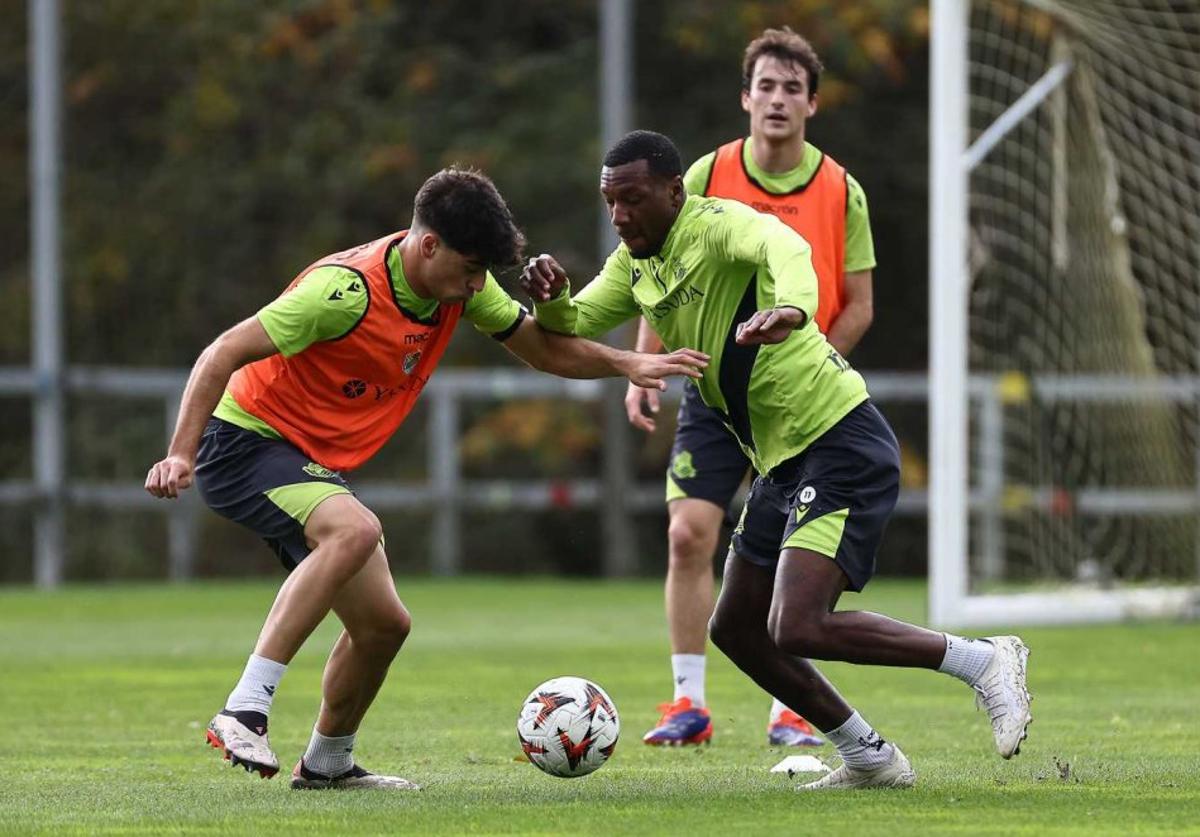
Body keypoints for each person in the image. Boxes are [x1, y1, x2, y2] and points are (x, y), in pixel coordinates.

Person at [145, 167, 708, 791]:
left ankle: (328, 763)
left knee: (385, 626)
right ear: (429, 245)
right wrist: (180, 453)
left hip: (306, 463)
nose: (476, 286)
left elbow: (543, 348)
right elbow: (221, 352)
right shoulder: (343, 292)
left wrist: (625, 360)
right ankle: (244, 708)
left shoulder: (461, 288)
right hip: (244, 445)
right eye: (470, 270)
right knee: (355, 529)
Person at [521, 131, 1031, 790]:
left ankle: (981, 659)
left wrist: (790, 306)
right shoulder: (635, 262)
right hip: (783, 461)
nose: (620, 215)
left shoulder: (715, 225)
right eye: (609, 201)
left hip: (839, 439)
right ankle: (870, 756)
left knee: (797, 622)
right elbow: (578, 323)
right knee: (736, 626)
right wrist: (553, 298)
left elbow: (782, 245)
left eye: (634, 199)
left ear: (674, 192)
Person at [623, 27, 876, 749]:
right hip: (713, 388)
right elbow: (655, 268)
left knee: (792, 549)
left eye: (792, 88)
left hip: (795, 403)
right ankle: (687, 703)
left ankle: (791, 707)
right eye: (765, 85)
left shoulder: (839, 188)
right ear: (745, 97)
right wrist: (646, 364)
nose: (776, 99)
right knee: (687, 532)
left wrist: (810, 364)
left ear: (812, 105)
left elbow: (857, 301)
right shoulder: (703, 174)